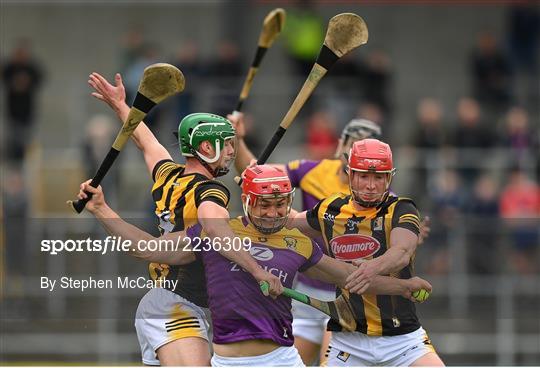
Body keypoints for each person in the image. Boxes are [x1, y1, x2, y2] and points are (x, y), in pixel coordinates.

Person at [77, 164, 432, 366]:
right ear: (247, 201)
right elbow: (150, 251)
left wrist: (403, 286)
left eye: (280, 204)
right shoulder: (215, 235)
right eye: (264, 204)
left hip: (283, 359)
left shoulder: (299, 243)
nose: (273, 212)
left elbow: (354, 279)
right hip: (230, 362)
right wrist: (102, 210)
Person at [87, 72, 282, 365]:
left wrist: (120, 106)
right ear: (207, 147)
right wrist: (257, 271)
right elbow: (215, 230)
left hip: (169, 302)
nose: (231, 152)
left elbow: (145, 142)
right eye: (226, 144)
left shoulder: (168, 175)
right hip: (177, 306)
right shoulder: (211, 192)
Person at [288, 139, 444, 366]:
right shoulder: (330, 209)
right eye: (364, 176)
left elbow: (402, 251)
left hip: (402, 340)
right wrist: (259, 196)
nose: (371, 185)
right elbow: (288, 222)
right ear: (351, 175)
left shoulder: (402, 209)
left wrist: (371, 269)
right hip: (349, 341)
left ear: (389, 178)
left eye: (378, 177)